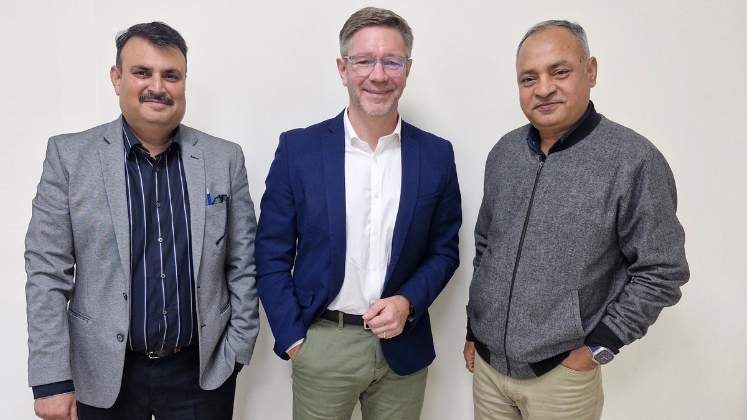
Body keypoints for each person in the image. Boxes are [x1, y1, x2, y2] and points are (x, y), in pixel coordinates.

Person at [25, 22, 259, 420]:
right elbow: (46, 272)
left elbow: (244, 264)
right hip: (102, 374)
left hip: (201, 373)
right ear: (117, 79)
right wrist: (52, 380)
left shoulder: (224, 159)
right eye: (142, 72)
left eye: (171, 75)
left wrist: (236, 351)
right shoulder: (69, 158)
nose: (158, 86)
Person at [463, 20, 689, 420]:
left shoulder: (633, 160)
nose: (543, 88)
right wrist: (473, 330)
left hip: (562, 380)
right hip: (488, 370)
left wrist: (599, 347)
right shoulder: (504, 153)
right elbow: (486, 249)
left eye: (559, 71)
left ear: (591, 71)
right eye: (529, 78)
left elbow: (663, 270)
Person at [255, 7, 461, 420]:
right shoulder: (299, 150)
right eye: (364, 60)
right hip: (323, 346)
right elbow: (270, 252)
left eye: (392, 61)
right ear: (343, 69)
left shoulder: (436, 154)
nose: (378, 75)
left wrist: (408, 301)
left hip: (404, 348)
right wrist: (294, 340)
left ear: (407, 69)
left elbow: (444, 251)